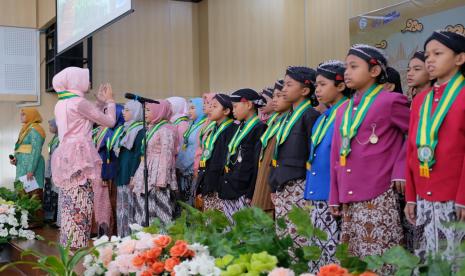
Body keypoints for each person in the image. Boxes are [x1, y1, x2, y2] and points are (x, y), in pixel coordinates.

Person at [329, 45, 409, 268]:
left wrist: (400, 169)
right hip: (349, 195)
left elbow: (416, 134)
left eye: (354, 67)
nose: (347, 72)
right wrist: (334, 194)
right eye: (346, 67)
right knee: (355, 262)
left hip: (378, 192)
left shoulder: (391, 101)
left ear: (374, 71)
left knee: (381, 259)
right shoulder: (344, 110)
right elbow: (337, 154)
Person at [405, 30, 465, 262]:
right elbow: (412, 149)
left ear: (459, 58)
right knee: (429, 261)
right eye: (427, 54)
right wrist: (411, 196)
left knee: (455, 262)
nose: (430, 59)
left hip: (455, 198)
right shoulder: (421, 99)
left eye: (437, 53)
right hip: (423, 196)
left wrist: (462, 196)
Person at [51, 67, 116, 248]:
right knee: (82, 204)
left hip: (66, 155)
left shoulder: (62, 102)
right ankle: (78, 251)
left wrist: (99, 103)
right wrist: (110, 101)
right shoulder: (79, 102)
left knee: (68, 202)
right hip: (80, 155)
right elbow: (109, 121)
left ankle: (69, 249)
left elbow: (86, 118)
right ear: (75, 81)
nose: (88, 82)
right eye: (85, 78)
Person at [304, 60, 350, 271]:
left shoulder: (348, 113)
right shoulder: (323, 118)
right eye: (316, 85)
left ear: (340, 86)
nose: (317, 90)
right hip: (317, 194)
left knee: (334, 253)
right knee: (319, 251)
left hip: (334, 195)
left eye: (323, 84)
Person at [268, 66, 320, 248]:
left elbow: (312, 155)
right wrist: (273, 183)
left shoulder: (310, 116)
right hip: (282, 185)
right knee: (285, 239)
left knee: (300, 239)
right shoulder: (287, 117)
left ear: (305, 90)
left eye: (289, 85)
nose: (283, 89)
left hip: (300, 186)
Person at [219, 89, 266, 221]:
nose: (233, 110)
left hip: (243, 189)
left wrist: (251, 192)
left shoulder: (259, 128)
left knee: (243, 230)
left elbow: (255, 164)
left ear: (249, 105)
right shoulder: (239, 127)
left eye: (235, 106)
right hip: (230, 185)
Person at [131, 100, 177, 225]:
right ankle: (146, 238)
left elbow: (166, 156)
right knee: (144, 207)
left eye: (149, 110)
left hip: (157, 175)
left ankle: (160, 241)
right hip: (147, 171)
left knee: (159, 210)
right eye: (145, 110)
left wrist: (162, 179)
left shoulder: (165, 130)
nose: (145, 113)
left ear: (159, 111)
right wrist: (136, 178)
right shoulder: (151, 129)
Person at [251, 80, 287, 214]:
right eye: (273, 97)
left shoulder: (284, 121)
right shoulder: (274, 121)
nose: (274, 101)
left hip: (274, 178)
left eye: (278, 96)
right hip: (265, 174)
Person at [196, 94, 236, 212]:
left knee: (221, 222)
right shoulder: (213, 128)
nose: (210, 109)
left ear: (226, 110)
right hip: (209, 180)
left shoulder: (231, 129)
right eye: (210, 105)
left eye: (214, 106)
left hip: (220, 184)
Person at [11, 107, 46, 227]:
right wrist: (16, 159)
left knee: (33, 193)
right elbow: (20, 147)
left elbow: (35, 150)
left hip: (32, 167)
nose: (21, 116)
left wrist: (31, 169)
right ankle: (25, 220)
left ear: (31, 115)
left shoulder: (36, 130)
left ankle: (36, 221)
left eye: (24, 114)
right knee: (22, 192)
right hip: (22, 165)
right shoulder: (25, 129)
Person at [114, 100, 144, 237]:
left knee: (131, 208)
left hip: (131, 175)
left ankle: (131, 239)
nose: (123, 113)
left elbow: (138, 155)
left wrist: (133, 175)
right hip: (121, 172)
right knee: (121, 208)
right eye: (123, 110)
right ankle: (122, 237)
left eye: (127, 110)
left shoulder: (140, 130)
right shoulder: (126, 129)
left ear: (136, 112)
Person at [94, 104, 124, 236]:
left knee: (107, 202)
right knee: (98, 201)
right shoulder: (100, 130)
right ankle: (99, 228)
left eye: (107, 112)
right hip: (97, 169)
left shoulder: (115, 132)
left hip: (108, 171)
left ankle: (107, 231)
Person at [176, 98, 206, 207]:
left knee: (192, 205)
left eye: (193, 108)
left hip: (193, 170)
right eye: (189, 108)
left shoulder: (204, 126)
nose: (189, 111)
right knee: (185, 205)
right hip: (184, 170)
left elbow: (197, 150)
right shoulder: (191, 125)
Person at [44, 119, 59, 225]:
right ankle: (50, 217)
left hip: (56, 170)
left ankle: (55, 218)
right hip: (51, 168)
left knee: (56, 195)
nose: (49, 128)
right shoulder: (54, 138)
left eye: (51, 126)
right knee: (50, 194)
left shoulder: (61, 138)